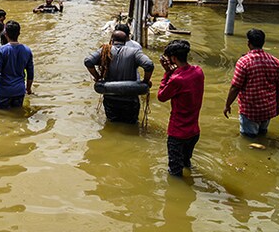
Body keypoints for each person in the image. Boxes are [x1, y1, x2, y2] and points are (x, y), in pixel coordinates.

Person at [223, 28, 279, 137]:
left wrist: (227, 105)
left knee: (248, 140)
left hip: (250, 111)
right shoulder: (275, 62)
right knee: (262, 135)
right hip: (268, 109)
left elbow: (235, 87)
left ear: (248, 43)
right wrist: (278, 105)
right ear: (263, 42)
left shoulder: (244, 62)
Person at [85, 30, 155, 124]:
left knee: (112, 124)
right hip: (130, 99)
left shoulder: (105, 50)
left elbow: (88, 61)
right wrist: (146, 81)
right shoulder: (135, 52)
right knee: (131, 126)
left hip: (110, 98)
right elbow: (149, 65)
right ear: (126, 40)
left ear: (112, 40)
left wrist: (97, 78)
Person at [156, 40, 204, 177]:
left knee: (175, 173)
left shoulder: (176, 79)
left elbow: (161, 96)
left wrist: (166, 73)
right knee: (186, 163)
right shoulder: (198, 72)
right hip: (194, 131)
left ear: (173, 58)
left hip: (178, 133)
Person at [0, 21, 34, 109]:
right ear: (19, 33)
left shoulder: (1, 51)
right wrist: (28, 89)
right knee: (17, 115)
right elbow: (30, 73)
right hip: (19, 91)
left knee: (1, 116)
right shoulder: (27, 50)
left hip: (4, 91)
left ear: (6, 33)